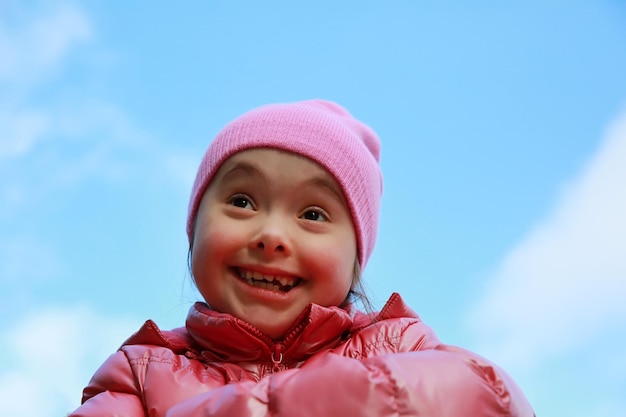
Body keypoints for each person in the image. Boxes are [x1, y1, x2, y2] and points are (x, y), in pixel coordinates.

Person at [70, 100, 535, 416]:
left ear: (357, 259)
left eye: (312, 213)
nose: (272, 235)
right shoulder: (139, 371)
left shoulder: (401, 344)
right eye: (242, 201)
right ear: (194, 227)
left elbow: (485, 394)